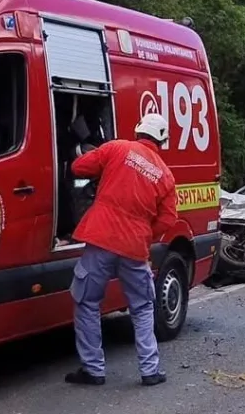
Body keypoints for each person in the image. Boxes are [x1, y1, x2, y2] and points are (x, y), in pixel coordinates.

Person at [64, 112, 178, 387]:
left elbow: (79, 168)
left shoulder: (117, 148)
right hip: (134, 248)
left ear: (139, 130)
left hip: (101, 237)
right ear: (162, 140)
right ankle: (150, 370)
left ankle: (93, 370)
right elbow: (168, 218)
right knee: (141, 307)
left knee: (87, 302)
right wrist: (143, 233)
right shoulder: (165, 175)